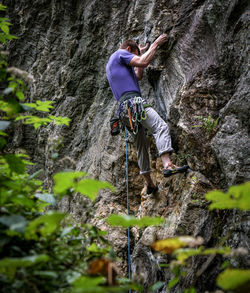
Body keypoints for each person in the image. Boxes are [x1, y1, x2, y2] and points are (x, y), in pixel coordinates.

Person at [106, 34, 189, 194]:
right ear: (129, 49)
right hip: (134, 104)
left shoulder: (114, 64)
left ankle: (149, 184)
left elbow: (138, 74)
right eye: (134, 54)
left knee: (141, 145)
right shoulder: (120, 53)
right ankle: (168, 165)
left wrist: (140, 53)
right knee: (160, 126)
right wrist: (155, 44)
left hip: (124, 112)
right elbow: (143, 61)